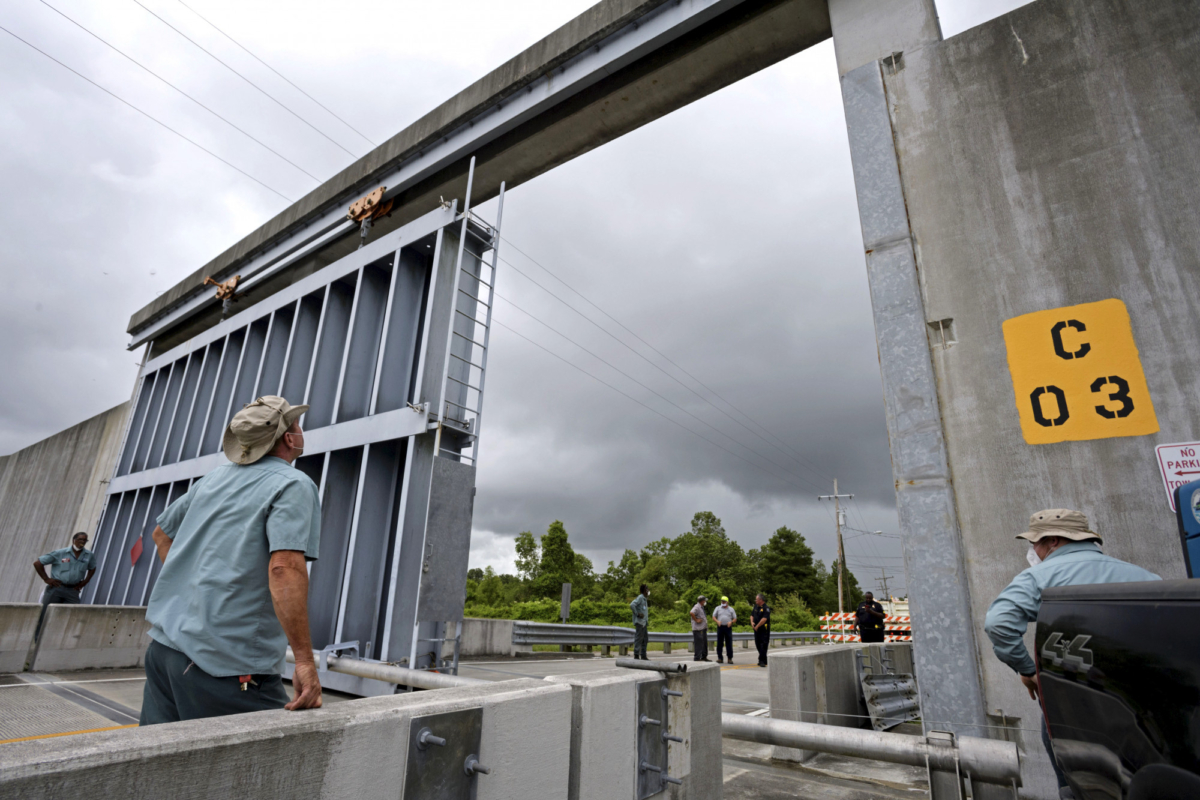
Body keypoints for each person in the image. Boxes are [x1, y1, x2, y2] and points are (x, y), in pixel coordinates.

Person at [139, 396, 323, 725]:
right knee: (264, 766)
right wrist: (305, 662)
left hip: (164, 650)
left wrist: (196, 593)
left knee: (163, 770)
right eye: (296, 425)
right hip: (225, 664)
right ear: (288, 438)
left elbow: (161, 535)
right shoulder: (294, 484)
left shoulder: (213, 479)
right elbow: (284, 569)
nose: (300, 430)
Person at [984, 508, 1160, 799]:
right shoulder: (1146, 577)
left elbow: (998, 622)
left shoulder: (1038, 577)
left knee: (1077, 786)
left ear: (1052, 540)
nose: (1033, 550)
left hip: (1071, 702)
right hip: (1141, 704)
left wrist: (1028, 671)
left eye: (1034, 543)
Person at [33, 532, 98, 639]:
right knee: (46, 615)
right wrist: (47, 579)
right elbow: (38, 563)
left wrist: (85, 582)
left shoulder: (88, 555)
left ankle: (60, 640)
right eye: (80, 539)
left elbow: (92, 568)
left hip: (73, 590)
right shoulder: (60, 553)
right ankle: (38, 639)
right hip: (56, 588)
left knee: (72, 616)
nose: (82, 542)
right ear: (74, 540)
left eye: (85, 540)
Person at [712, 596, 737, 664]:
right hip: (720, 627)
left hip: (728, 627)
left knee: (729, 643)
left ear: (727, 602)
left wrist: (731, 622)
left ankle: (729, 658)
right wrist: (717, 621)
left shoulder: (731, 609)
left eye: (724, 601)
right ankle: (720, 658)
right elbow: (713, 616)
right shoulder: (718, 608)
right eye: (722, 601)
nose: (722, 602)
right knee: (719, 643)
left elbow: (735, 618)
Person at [629, 584, 650, 660]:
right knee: (639, 639)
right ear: (644, 590)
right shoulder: (640, 597)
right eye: (647, 589)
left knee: (645, 639)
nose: (648, 591)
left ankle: (643, 655)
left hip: (644, 623)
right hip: (640, 622)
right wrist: (637, 614)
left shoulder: (644, 599)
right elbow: (632, 605)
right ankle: (636, 655)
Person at [752, 594, 771, 667]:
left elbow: (764, 619)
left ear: (761, 600)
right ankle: (764, 659)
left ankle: (761, 660)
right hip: (756, 629)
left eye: (756, 599)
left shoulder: (766, 608)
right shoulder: (756, 607)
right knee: (757, 644)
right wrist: (752, 622)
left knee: (763, 645)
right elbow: (752, 615)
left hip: (764, 629)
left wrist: (757, 626)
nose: (755, 601)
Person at [689, 595, 709, 662]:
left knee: (704, 643)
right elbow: (691, 612)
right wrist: (696, 620)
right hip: (698, 629)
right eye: (704, 600)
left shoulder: (701, 607)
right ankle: (697, 658)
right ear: (702, 601)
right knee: (699, 644)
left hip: (702, 628)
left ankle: (704, 656)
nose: (705, 601)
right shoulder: (697, 607)